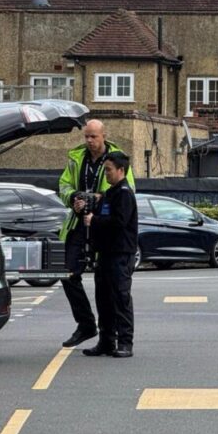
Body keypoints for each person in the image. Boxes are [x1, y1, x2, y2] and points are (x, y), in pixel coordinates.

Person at [57, 119, 135, 348]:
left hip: (104, 228)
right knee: (68, 274)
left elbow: (123, 191)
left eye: (94, 137)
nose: (90, 141)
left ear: (104, 136)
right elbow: (63, 186)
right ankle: (86, 324)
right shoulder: (76, 158)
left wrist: (99, 199)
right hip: (79, 223)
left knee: (111, 289)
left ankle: (113, 339)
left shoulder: (116, 160)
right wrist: (74, 199)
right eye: (86, 136)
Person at [82, 151, 138, 358]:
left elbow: (119, 222)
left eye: (109, 170)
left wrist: (94, 221)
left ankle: (125, 342)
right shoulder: (111, 192)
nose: (106, 174)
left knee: (120, 298)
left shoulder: (124, 193)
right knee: (103, 298)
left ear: (121, 170)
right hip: (105, 253)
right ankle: (106, 340)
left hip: (120, 254)